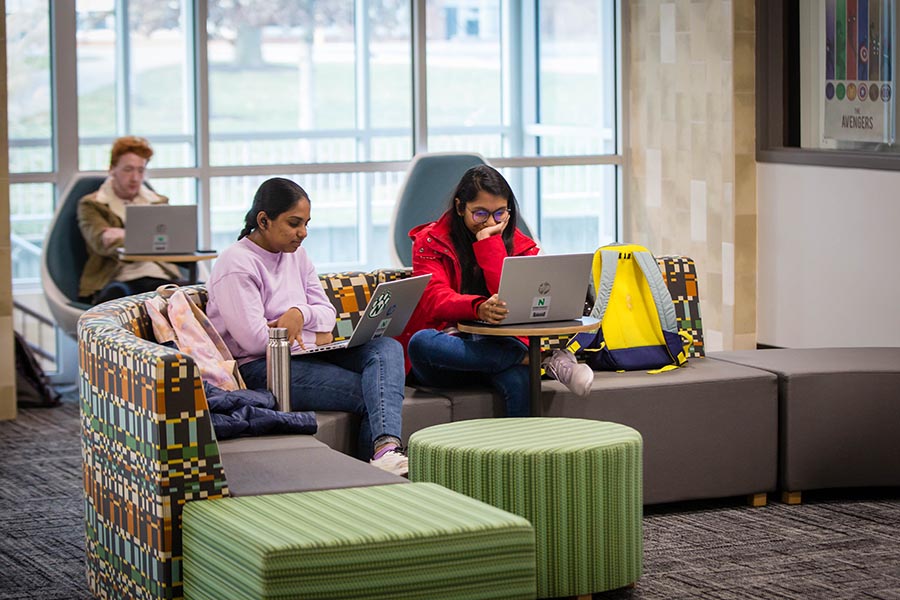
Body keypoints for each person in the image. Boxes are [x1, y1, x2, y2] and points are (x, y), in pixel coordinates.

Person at [206, 177, 409, 476]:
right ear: (264, 220)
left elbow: (328, 313)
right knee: (374, 391)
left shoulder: (296, 254)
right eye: (294, 223)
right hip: (261, 366)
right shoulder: (236, 264)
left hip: (304, 353)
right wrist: (317, 333)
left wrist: (299, 314)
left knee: (386, 347)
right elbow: (255, 342)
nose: (302, 233)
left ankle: (386, 450)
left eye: (306, 224)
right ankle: (381, 465)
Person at [398, 165, 593, 417]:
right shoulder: (430, 242)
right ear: (459, 207)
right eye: (480, 213)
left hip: (497, 346)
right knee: (420, 343)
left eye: (500, 213)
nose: (490, 222)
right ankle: (542, 360)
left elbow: (513, 301)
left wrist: (490, 244)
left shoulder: (521, 245)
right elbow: (435, 298)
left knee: (519, 380)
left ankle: (522, 456)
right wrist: (478, 307)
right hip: (450, 358)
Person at [77, 136, 182, 304]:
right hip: (116, 277)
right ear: (112, 169)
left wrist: (120, 234)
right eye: (128, 169)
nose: (135, 177)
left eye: (140, 170)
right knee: (118, 297)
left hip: (157, 273)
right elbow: (101, 243)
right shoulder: (92, 204)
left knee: (192, 292)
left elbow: (172, 244)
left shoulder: (158, 202)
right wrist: (149, 237)